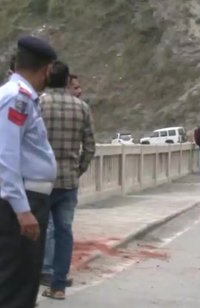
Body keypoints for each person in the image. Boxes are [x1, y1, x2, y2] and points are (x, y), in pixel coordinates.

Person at [0, 35, 58, 308]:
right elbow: (6, 156)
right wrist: (23, 210)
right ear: (47, 69)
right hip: (23, 201)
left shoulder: (20, 97)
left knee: (23, 279)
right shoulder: (17, 99)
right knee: (17, 283)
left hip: (27, 198)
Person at [38, 61, 95, 300]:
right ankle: (59, 286)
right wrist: (77, 170)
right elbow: (90, 147)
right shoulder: (81, 107)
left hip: (39, 180)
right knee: (64, 231)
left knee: (38, 232)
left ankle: (34, 283)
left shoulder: (38, 103)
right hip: (68, 181)